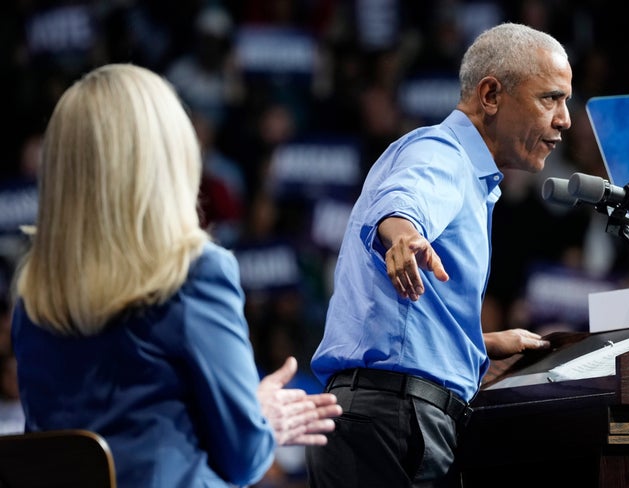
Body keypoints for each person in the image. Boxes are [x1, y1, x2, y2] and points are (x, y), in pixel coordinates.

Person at [10, 63, 341, 488]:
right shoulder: (195, 275)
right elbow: (244, 459)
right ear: (167, 159)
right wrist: (262, 418)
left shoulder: (34, 297)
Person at [306, 22, 571, 487]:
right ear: (490, 95)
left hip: (381, 419)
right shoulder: (442, 155)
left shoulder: (461, 169)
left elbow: (401, 320)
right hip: (393, 423)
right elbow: (403, 202)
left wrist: (478, 346)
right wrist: (404, 235)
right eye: (550, 98)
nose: (565, 118)